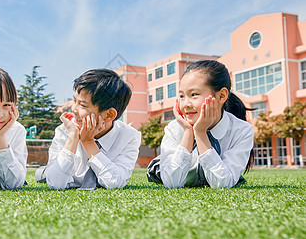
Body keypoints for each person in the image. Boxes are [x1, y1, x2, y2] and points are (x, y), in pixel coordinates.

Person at [36, 69, 142, 190]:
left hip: (93, 170)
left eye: (82, 105)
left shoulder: (129, 137)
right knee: (42, 175)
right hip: (58, 173)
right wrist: (73, 137)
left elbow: (115, 182)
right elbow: (55, 184)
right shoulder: (65, 130)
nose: (74, 109)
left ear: (109, 115)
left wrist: (88, 142)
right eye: (74, 101)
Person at [155, 60, 254, 188]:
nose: (186, 104)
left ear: (221, 96)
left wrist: (201, 133)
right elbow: (171, 183)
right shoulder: (174, 129)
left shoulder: (242, 130)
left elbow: (222, 184)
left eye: (194, 94)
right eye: (181, 96)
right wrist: (187, 132)